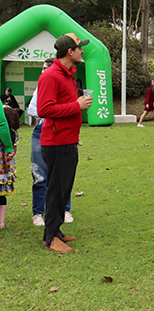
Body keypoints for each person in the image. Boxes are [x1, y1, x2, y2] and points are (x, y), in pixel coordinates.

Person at [37, 33, 93, 253]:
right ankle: (51, 237)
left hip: (67, 141)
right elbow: (44, 109)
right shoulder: (51, 76)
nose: (82, 51)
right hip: (56, 143)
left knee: (63, 189)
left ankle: (54, 231)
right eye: (80, 48)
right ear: (70, 52)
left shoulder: (68, 75)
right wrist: (76, 106)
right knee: (56, 190)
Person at [28, 59, 72, 227]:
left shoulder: (63, 85)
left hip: (60, 132)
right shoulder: (41, 88)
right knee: (39, 175)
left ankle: (64, 209)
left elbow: (70, 107)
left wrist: (52, 112)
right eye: (43, 69)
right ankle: (38, 213)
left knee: (62, 173)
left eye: (48, 68)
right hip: (40, 132)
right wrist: (52, 112)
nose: (45, 71)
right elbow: (32, 109)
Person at [0, 107, 19, 229]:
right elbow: (13, 151)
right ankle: (1, 222)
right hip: (4, 171)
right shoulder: (14, 135)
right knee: (2, 196)